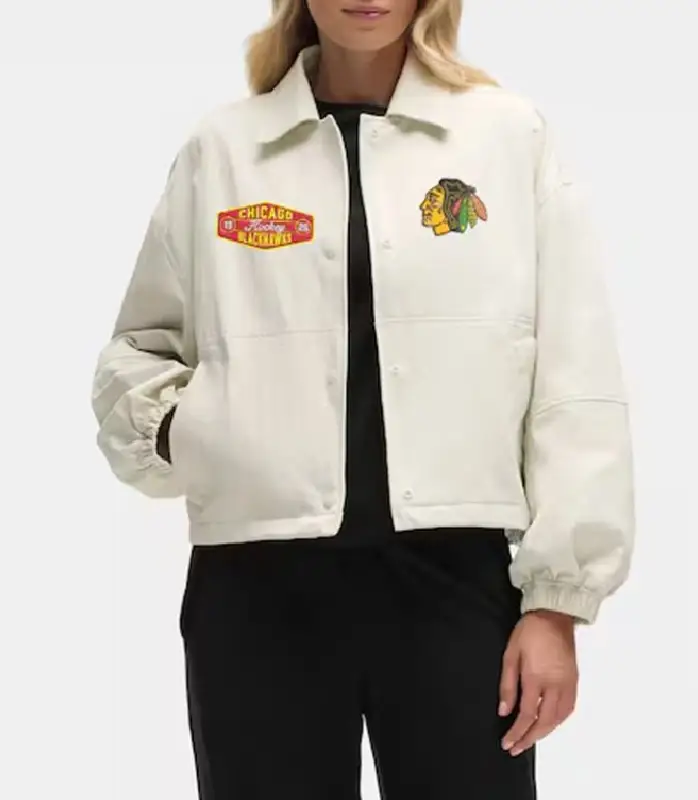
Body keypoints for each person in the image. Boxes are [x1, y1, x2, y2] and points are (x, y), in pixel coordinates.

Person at [91, 1, 636, 797]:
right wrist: (195, 432)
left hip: (455, 584)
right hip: (255, 587)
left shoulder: (506, 140)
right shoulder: (225, 150)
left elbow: (574, 376)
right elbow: (138, 350)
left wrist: (557, 606)